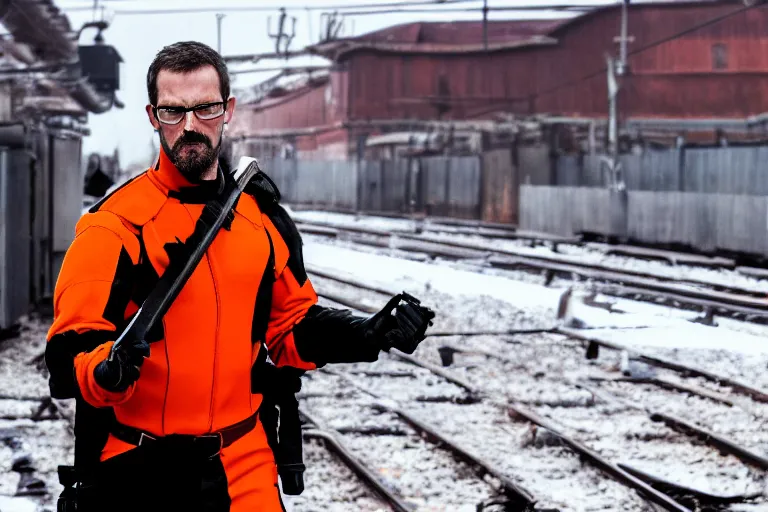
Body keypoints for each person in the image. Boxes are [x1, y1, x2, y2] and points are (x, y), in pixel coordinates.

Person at [45, 41, 434, 512]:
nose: (190, 126)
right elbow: (68, 356)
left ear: (227, 109)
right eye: (173, 111)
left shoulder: (262, 218)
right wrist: (106, 369)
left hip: (244, 464)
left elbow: (291, 328)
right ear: (153, 116)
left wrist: (367, 333)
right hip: (137, 466)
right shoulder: (113, 227)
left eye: (205, 108)